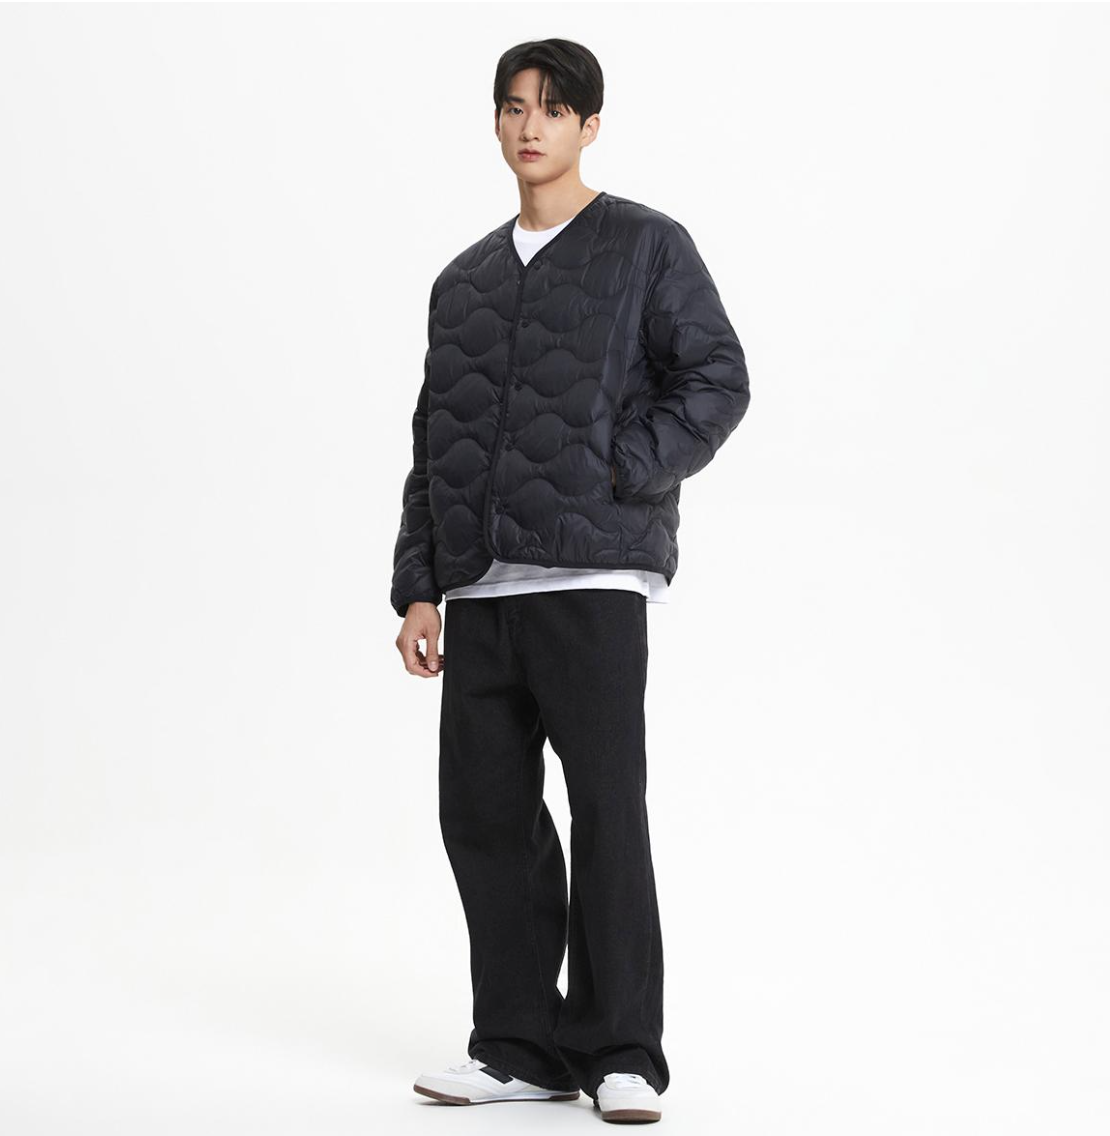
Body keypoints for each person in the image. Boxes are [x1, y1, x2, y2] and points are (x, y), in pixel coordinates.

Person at [392, 38, 750, 1124]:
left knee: (605, 813)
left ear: (590, 125)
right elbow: (433, 442)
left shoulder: (645, 245)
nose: (530, 126)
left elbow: (717, 377)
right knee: (485, 818)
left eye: (553, 108)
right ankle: (516, 1044)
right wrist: (419, 586)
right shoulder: (462, 281)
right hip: (481, 591)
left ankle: (620, 1049)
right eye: (513, 107)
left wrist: (619, 468)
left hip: (592, 581)